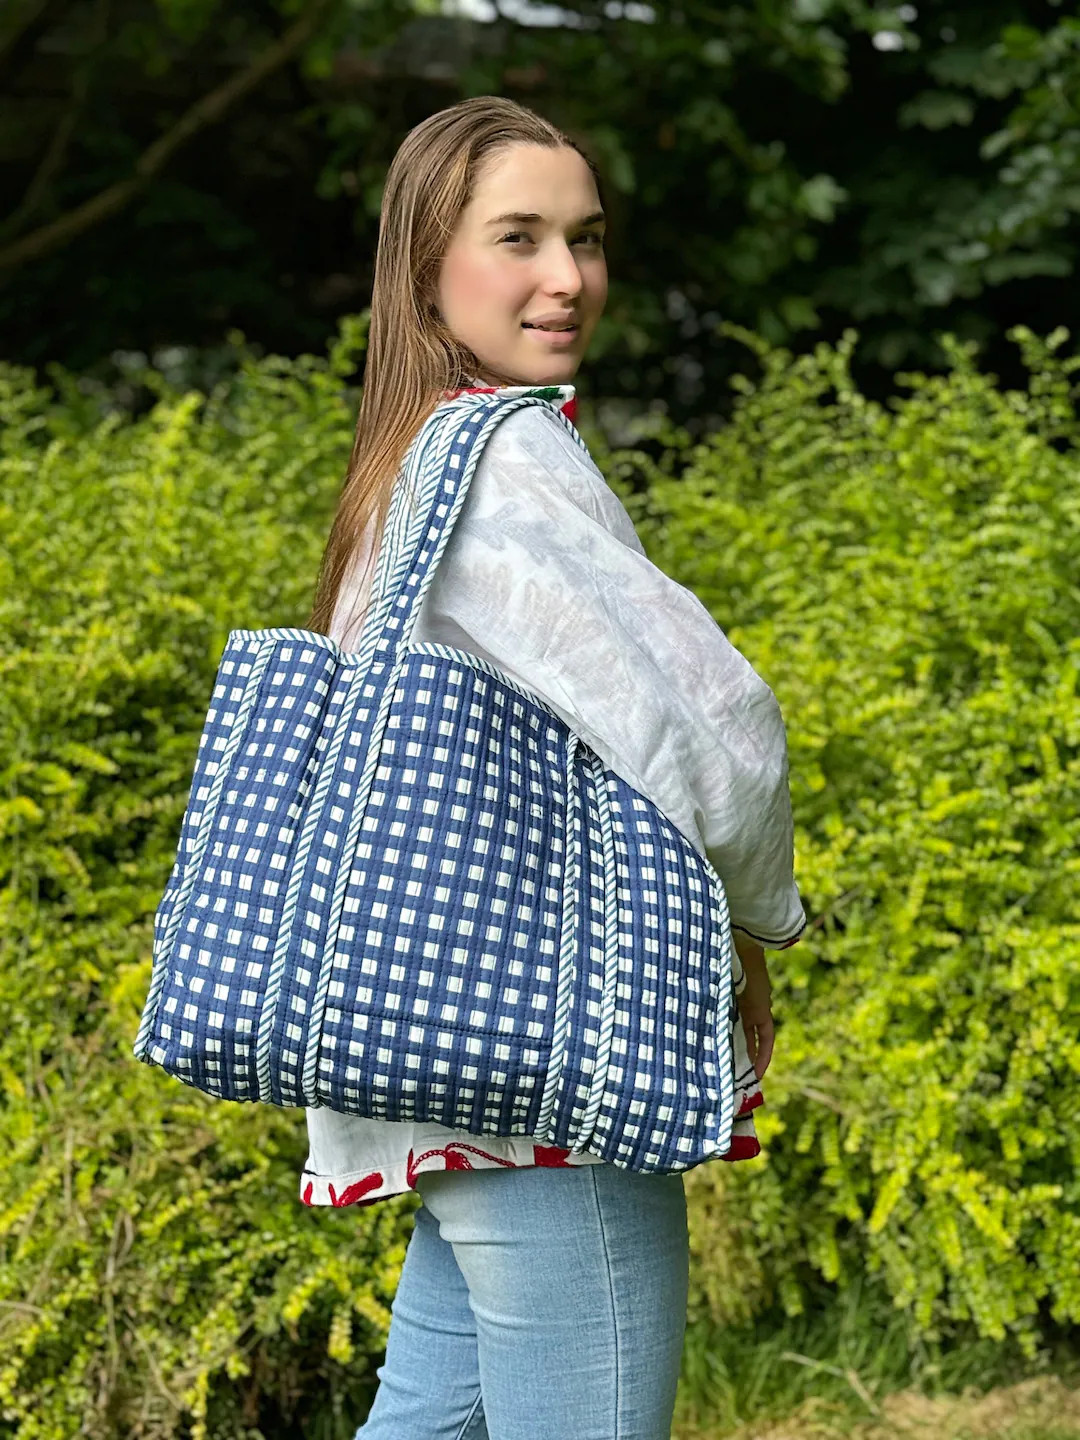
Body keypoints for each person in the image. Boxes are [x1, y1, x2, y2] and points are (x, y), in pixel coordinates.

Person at [302, 95, 805, 1440]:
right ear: (427, 264)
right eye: (518, 237)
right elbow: (709, 727)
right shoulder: (512, 460)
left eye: (586, 238)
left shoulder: (410, 459)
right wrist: (755, 916)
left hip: (451, 1057)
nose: (569, 277)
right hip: (555, 1064)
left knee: (434, 1424)